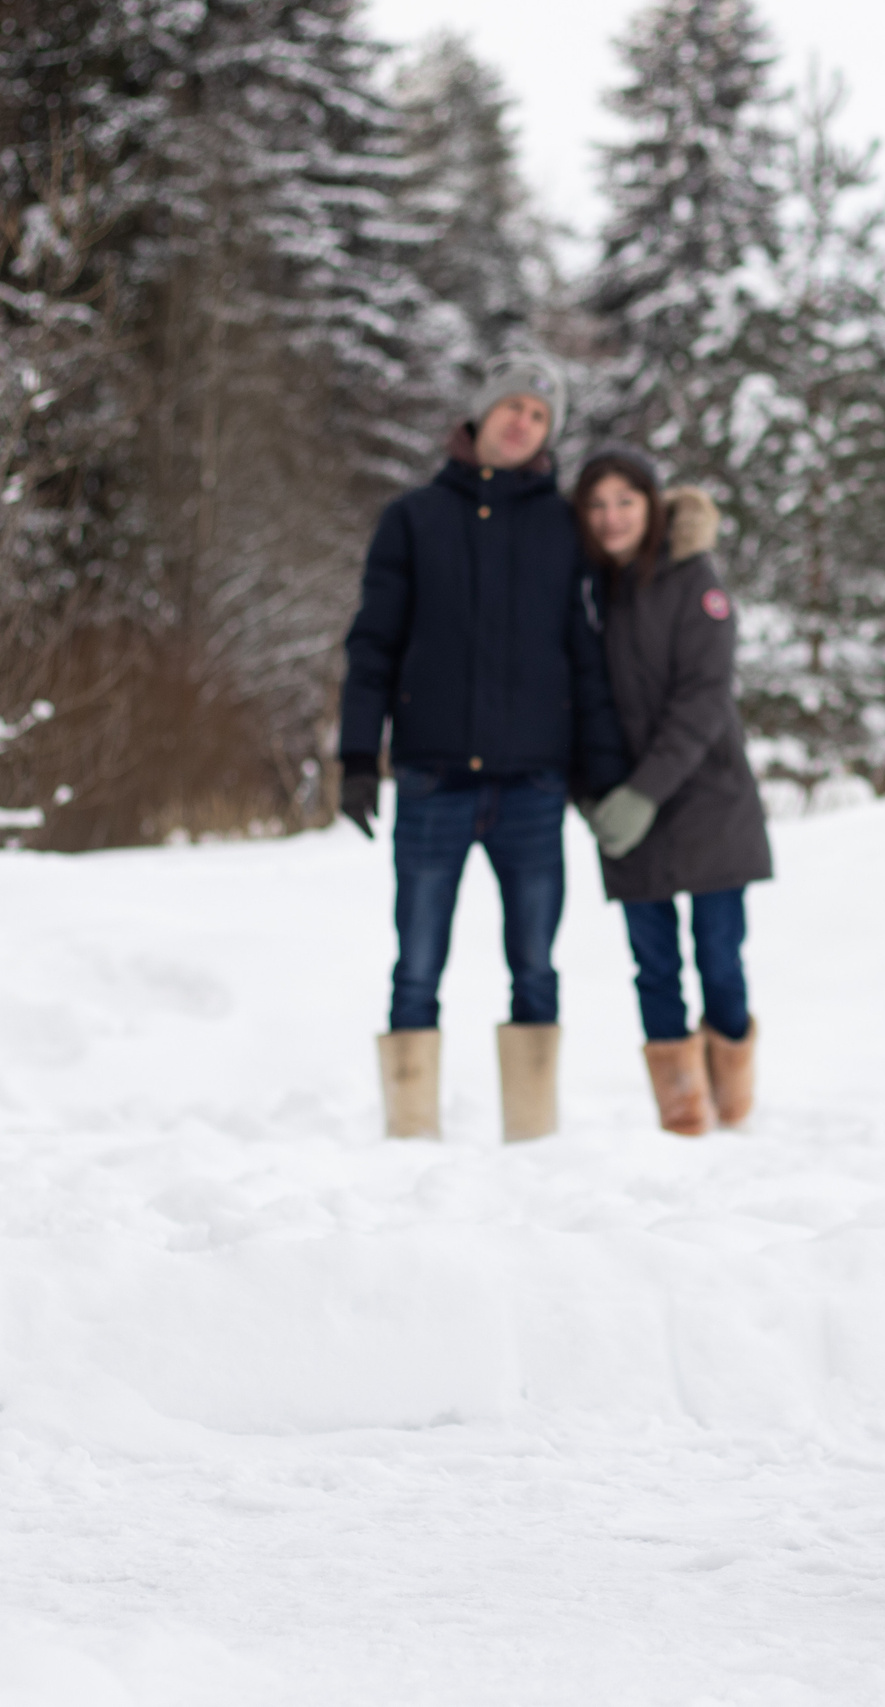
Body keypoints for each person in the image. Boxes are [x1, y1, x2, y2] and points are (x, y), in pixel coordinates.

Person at [336, 353, 629, 1143]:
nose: (522, 421)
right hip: (432, 781)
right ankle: (408, 1136)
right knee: (416, 965)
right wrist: (358, 756)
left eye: (538, 413)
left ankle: (533, 1142)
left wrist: (600, 775)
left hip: (533, 787)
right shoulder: (413, 518)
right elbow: (374, 644)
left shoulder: (564, 527)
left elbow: (586, 659)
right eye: (512, 406)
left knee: (534, 964)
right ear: (480, 413)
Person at [570, 446, 772, 1137]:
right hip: (624, 806)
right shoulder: (588, 588)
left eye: (625, 501)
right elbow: (573, 700)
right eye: (597, 505)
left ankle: (733, 1107)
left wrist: (645, 791)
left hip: (705, 798)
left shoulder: (694, 580)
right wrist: (592, 795)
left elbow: (704, 698)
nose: (612, 517)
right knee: (653, 964)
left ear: (653, 506)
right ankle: (683, 1114)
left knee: (718, 954)